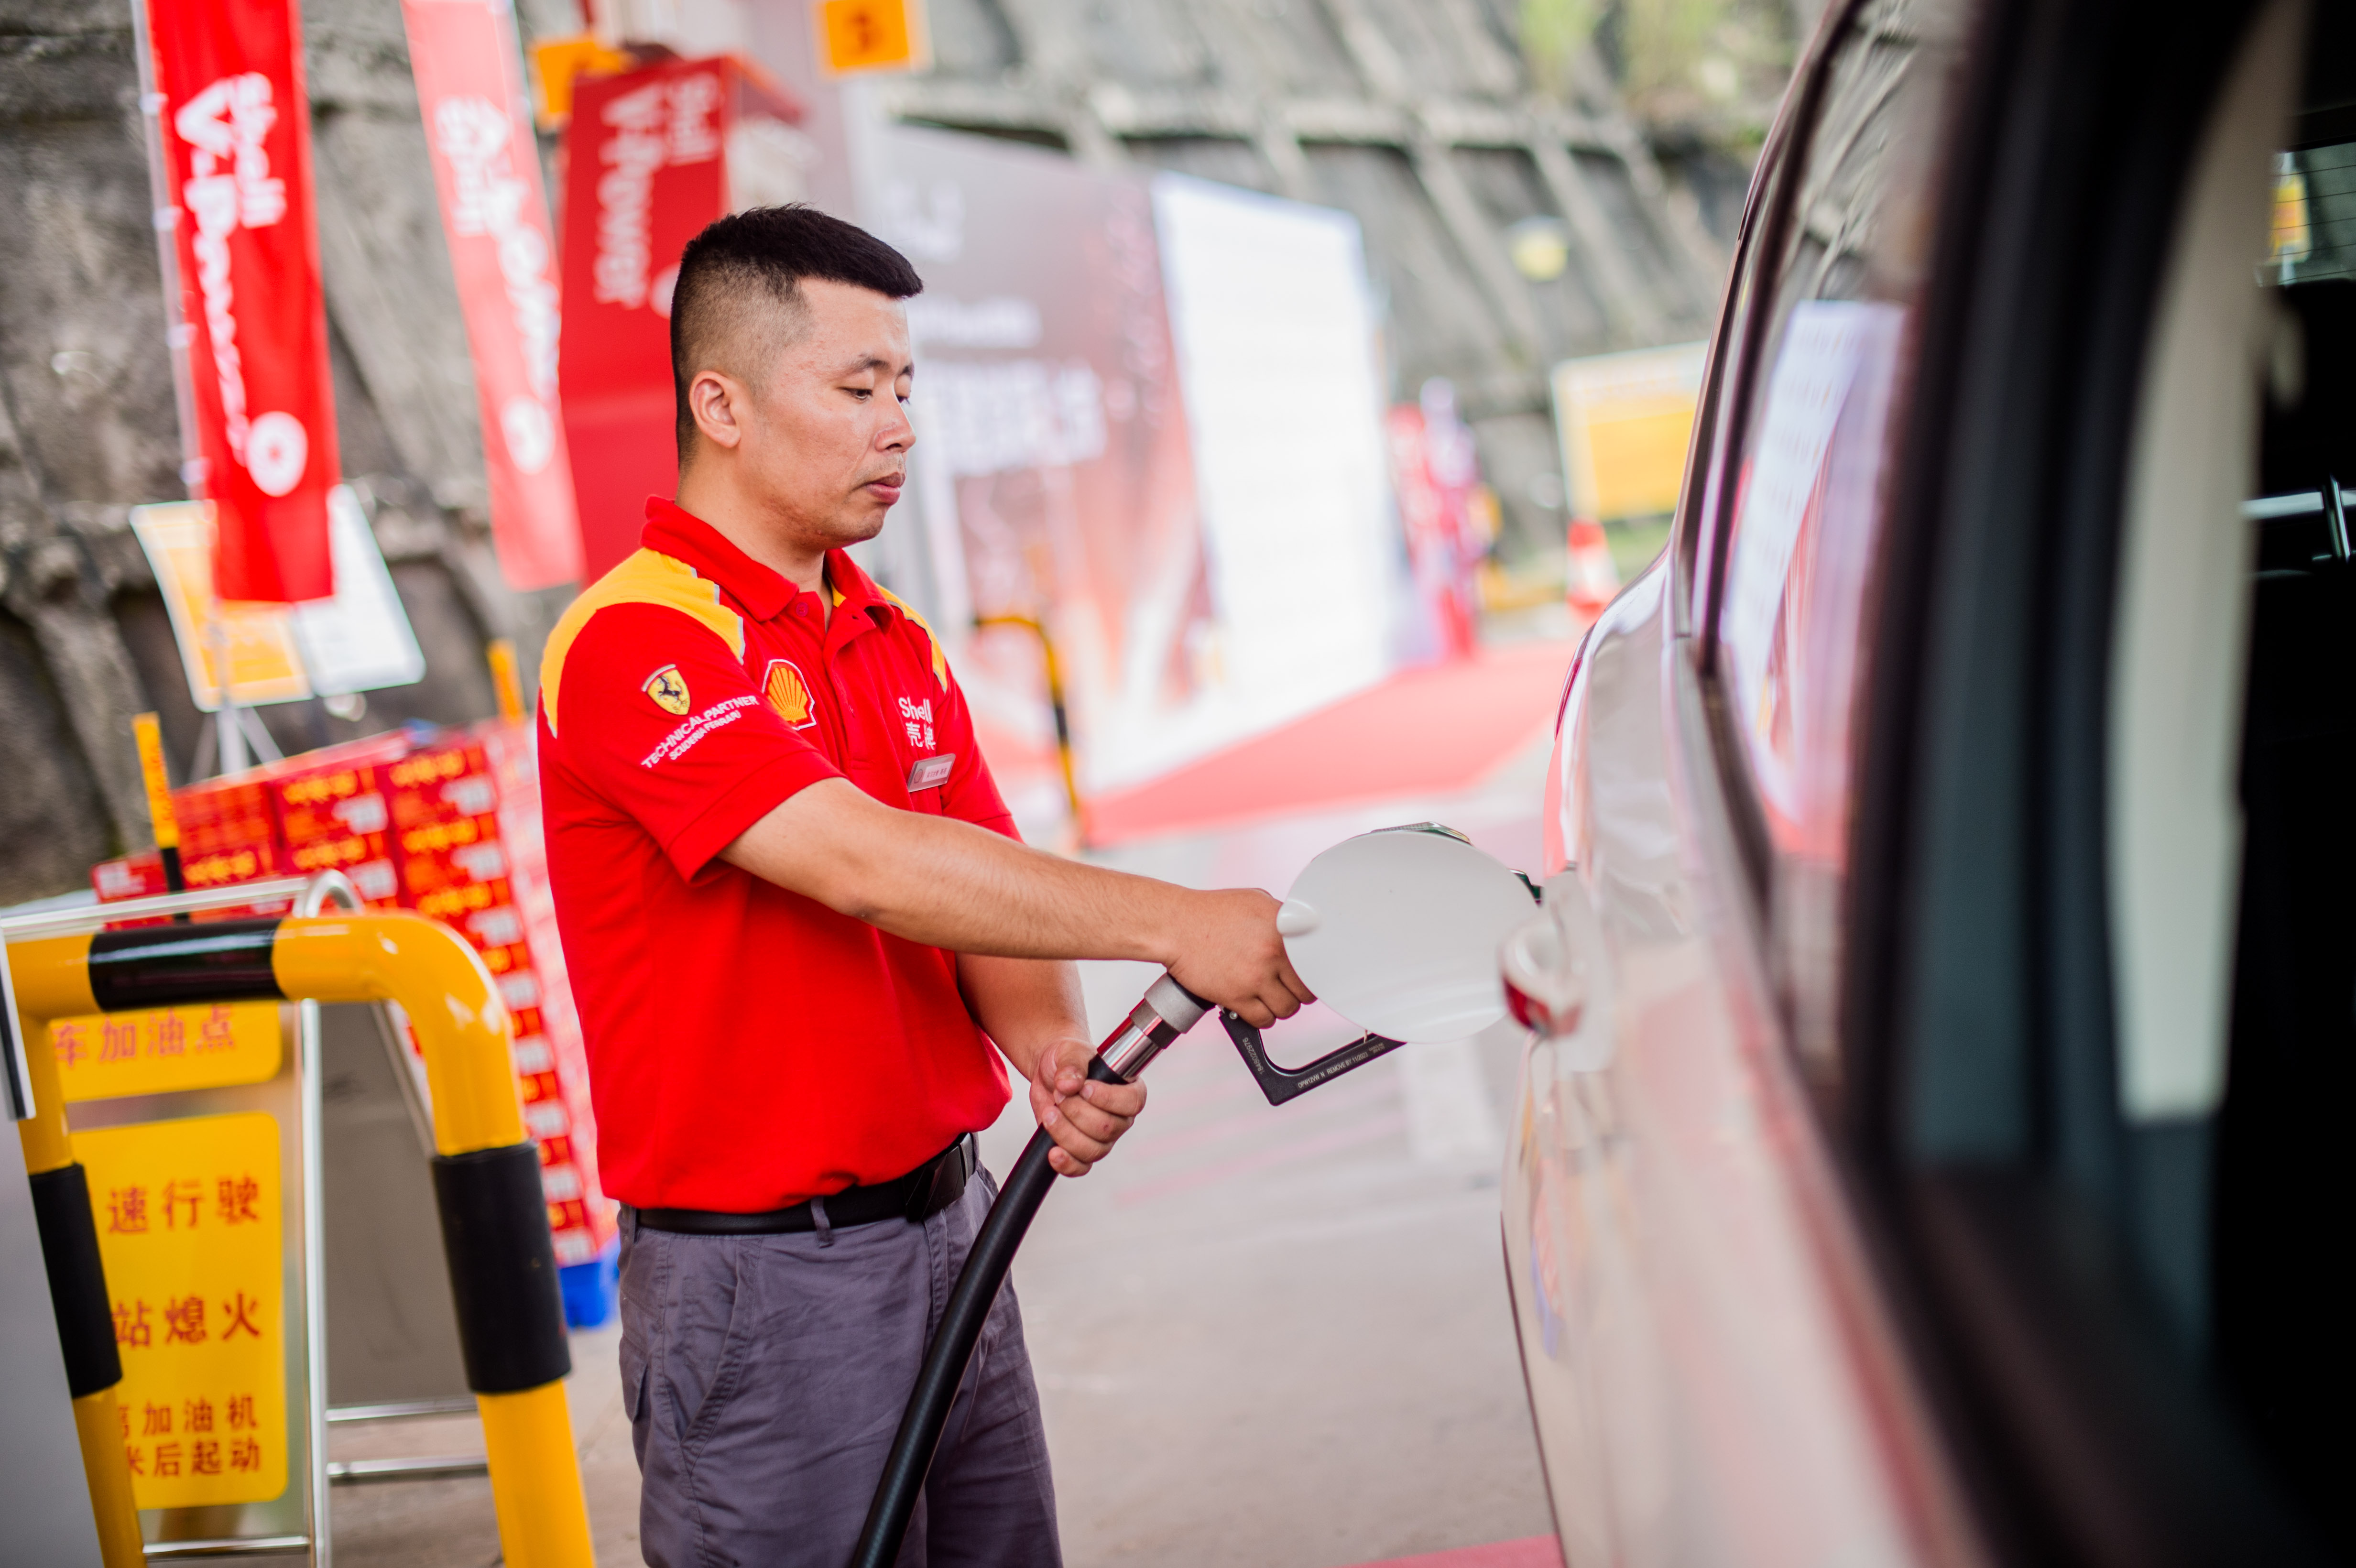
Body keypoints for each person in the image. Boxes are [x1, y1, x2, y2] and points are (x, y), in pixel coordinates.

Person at [536, 204, 1311, 1568]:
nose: (899, 426)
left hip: (951, 1231)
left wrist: (1051, 1049)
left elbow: (980, 875)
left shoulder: (891, 638)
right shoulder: (635, 642)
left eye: (906, 387)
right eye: (858, 390)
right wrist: (1176, 922)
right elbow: (866, 864)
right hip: (759, 1286)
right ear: (720, 404)